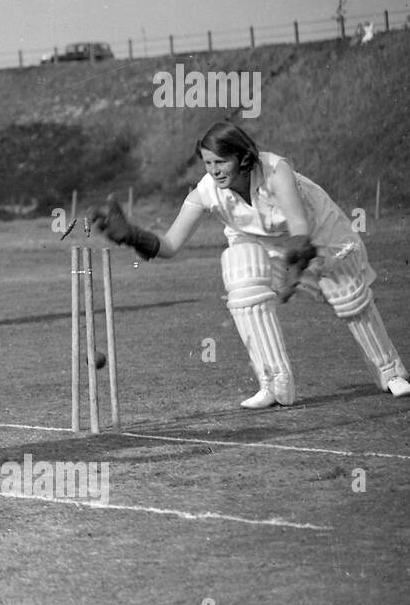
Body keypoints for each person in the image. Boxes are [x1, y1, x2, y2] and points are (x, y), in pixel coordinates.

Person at [92, 119, 409, 408]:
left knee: (349, 298)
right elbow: (171, 245)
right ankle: (274, 383)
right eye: (208, 163)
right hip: (261, 244)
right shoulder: (206, 191)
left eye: (221, 162)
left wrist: (293, 272)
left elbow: (299, 229)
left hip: (321, 235)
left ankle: (390, 371)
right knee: (240, 272)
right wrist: (133, 235)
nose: (214, 171)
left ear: (241, 157)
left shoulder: (275, 169)